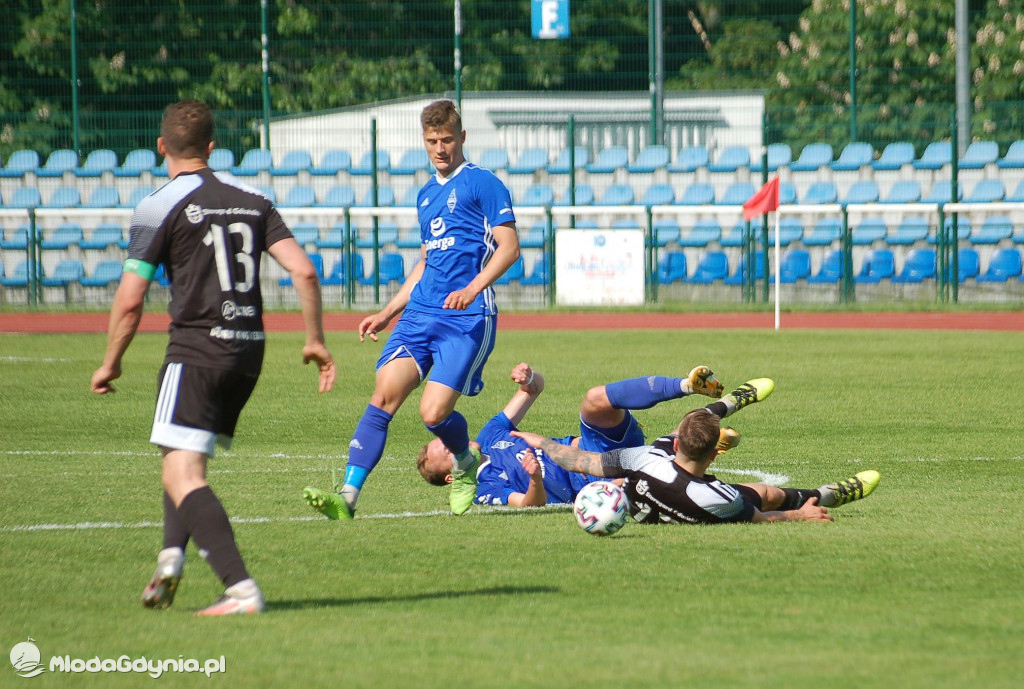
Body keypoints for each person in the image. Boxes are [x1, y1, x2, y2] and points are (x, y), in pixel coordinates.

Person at [90, 99, 336, 616]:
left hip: (197, 348)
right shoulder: (254, 198)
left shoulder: (158, 204)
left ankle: (240, 589)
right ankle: (171, 562)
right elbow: (305, 272)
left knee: (184, 473)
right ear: (211, 147)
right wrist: (314, 339)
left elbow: (131, 297)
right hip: (248, 352)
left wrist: (111, 361)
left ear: (161, 148)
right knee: (181, 458)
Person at [304, 99, 519, 519]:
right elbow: (425, 262)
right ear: (424, 141)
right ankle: (348, 496)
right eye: (432, 141)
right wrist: (388, 312)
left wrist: (473, 288)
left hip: (467, 318)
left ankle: (466, 462)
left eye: (447, 140)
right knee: (383, 397)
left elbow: (509, 249)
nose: (440, 148)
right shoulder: (424, 196)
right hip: (420, 313)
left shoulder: (483, 183)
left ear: (462, 138)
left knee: (433, 413)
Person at [511, 378, 881, 524]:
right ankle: (826, 495)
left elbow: (583, 461)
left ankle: (732, 401)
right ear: (716, 455)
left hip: (656, 491)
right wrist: (799, 516)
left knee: (690, 422)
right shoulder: (718, 497)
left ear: (675, 446)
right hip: (687, 490)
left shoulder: (647, 459)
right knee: (769, 494)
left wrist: (541, 441)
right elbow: (762, 517)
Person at [417, 362, 727, 508]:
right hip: (593, 482)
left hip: (593, 445)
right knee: (650, 474)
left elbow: (534, 389)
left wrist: (529, 376)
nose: (450, 444)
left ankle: (685, 386)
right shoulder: (482, 489)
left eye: (445, 441)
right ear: (450, 477)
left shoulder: (489, 433)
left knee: (594, 400)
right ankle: (704, 440)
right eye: (445, 453)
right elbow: (528, 505)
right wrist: (535, 479)